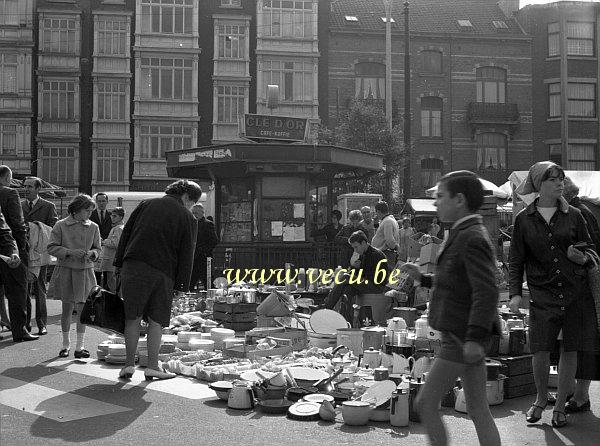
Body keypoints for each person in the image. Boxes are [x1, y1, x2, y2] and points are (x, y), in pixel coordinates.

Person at [403, 170, 500, 446]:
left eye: (441, 196)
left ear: (459, 200)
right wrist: (421, 278)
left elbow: (486, 291)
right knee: (478, 409)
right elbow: (459, 282)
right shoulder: (464, 232)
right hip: (466, 336)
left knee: (426, 402)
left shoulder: (471, 236)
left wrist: (473, 337)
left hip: (460, 337)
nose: (436, 203)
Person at [509, 161, 597, 428]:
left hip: (574, 292)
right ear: (539, 184)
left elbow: (591, 250)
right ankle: (539, 398)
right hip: (542, 293)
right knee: (540, 349)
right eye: (553, 179)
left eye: (561, 178)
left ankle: (560, 406)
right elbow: (516, 260)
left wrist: (580, 258)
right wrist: (514, 293)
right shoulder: (523, 219)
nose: (560, 183)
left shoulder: (575, 216)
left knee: (570, 348)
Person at [114, 179, 200, 381]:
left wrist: (118, 265)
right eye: (192, 203)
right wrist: (181, 285)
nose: (191, 207)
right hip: (163, 272)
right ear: (186, 197)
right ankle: (152, 366)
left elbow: (126, 234)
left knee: (132, 317)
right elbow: (187, 253)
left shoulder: (146, 204)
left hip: (133, 266)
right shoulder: (187, 217)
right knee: (156, 321)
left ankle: (127, 365)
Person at [561, 176, 600, 413]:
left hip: (584, 286)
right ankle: (574, 390)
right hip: (578, 285)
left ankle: (581, 395)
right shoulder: (580, 209)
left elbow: (588, 250)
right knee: (576, 342)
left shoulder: (580, 212)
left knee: (584, 342)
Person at [47, 194, 101, 358]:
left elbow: (98, 249)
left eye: (92, 211)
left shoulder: (93, 227)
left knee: (83, 310)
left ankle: (80, 346)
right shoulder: (61, 225)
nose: (89, 214)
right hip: (66, 270)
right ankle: (65, 345)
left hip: (85, 271)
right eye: (87, 210)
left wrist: (92, 253)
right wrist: (70, 252)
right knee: (67, 309)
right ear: (76, 210)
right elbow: (51, 247)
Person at [0, 166, 36, 342]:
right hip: (10, 249)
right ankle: (20, 330)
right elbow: (17, 223)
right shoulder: (10, 194)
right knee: (18, 292)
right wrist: (21, 248)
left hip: (7, 247)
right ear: (6, 177)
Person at [322, 230, 387, 323]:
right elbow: (356, 273)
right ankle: (346, 320)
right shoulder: (363, 254)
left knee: (346, 277)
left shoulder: (375, 255)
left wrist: (357, 270)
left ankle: (326, 306)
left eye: (356, 247)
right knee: (347, 290)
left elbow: (369, 276)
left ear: (364, 243)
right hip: (367, 283)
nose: (355, 250)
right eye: (353, 248)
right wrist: (354, 267)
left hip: (376, 285)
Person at [22, 176, 58, 335]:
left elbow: (52, 228)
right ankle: (26, 324)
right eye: (25, 186)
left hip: (40, 253)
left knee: (40, 288)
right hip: (23, 252)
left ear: (38, 189)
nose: (27, 189)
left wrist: (34, 227)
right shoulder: (19, 205)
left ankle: (41, 323)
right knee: (24, 289)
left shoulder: (48, 206)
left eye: (30, 186)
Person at [190, 203, 220, 290]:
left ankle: (212, 300)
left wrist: (203, 251)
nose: (194, 215)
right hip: (194, 258)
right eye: (193, 213)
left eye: (196, 213)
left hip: (204, 259)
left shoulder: (208, 224)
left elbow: (214, 241)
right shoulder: (191, 224)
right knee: (190, 283)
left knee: (208, 283)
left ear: (202, 213)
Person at [100, 207, 125, 292]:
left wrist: (103, 242)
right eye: (112, 216)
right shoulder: (119, 227)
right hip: (112, 260)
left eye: (115, 216)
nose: (112, 218)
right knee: (113, 284)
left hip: (111, 261)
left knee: (112, 285)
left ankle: (115, 303)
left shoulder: (118, 228)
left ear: (121, 217)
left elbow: (115, 243)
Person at [90, 192, 112, 287]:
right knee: (95, 274)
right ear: (96, 202)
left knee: (107, 274)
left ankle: (106, 297)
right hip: (95, 247)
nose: (101, 203)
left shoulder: (112, 215)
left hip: (108, 248)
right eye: (99, 201)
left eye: (103, 201)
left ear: (107, 202)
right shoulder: (90, 215)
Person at [372, 201, 399, 267]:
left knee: (384, 274)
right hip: (385, 253)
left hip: (386, 253)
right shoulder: (389, 220)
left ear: (378, 211)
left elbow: (389, 239)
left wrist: (394, 247)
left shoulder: (387, 221)